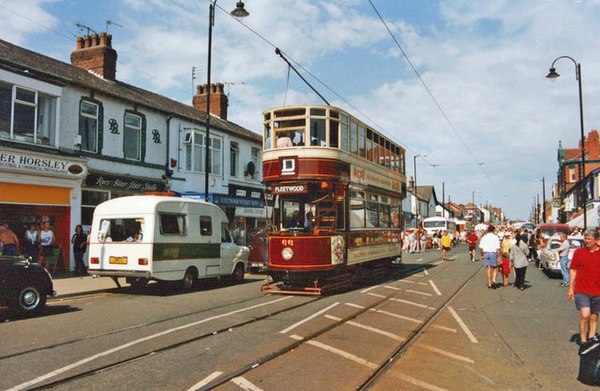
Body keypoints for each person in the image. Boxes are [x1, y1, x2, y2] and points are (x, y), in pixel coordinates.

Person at [568, 229, 600, 354]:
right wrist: (571, 287)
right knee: (585, 314)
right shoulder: (579, 252)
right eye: (585, 239)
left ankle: (591, 338)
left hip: (597, 289)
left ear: (596, 240)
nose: (587, 241)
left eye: (590, 239)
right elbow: (573, 270)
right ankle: (583, 339)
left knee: (593, 316)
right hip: (582, 289)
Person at [479, 225, 500, 289]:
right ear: (493, 230)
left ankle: (489, 283)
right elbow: (497, 248)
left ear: (488, 230)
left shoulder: (484, 237)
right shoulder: (496, 237)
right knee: (495, 267)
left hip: (486, 253)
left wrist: (482, 255)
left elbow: (481, 248)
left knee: (488, 268)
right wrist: (499, 256)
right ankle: (493, 280)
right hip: (493, 253)